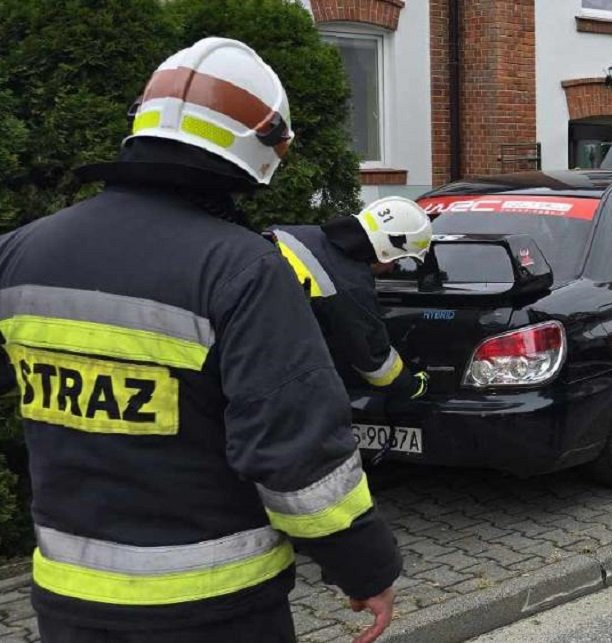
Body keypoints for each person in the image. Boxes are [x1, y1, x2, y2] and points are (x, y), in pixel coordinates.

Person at [0, 38, 400, 642]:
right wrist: (365, 567)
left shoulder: (21, 252)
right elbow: (296, 457)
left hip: (69, 603)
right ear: (258, 145)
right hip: (218, 607)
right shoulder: (242, 269)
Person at [268, 196, 432, 401]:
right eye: (397, 260)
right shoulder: (351, 284)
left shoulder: (299, 234)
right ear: (386, 248)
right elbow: (375, 365)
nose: (392, 269)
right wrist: (413, 385)